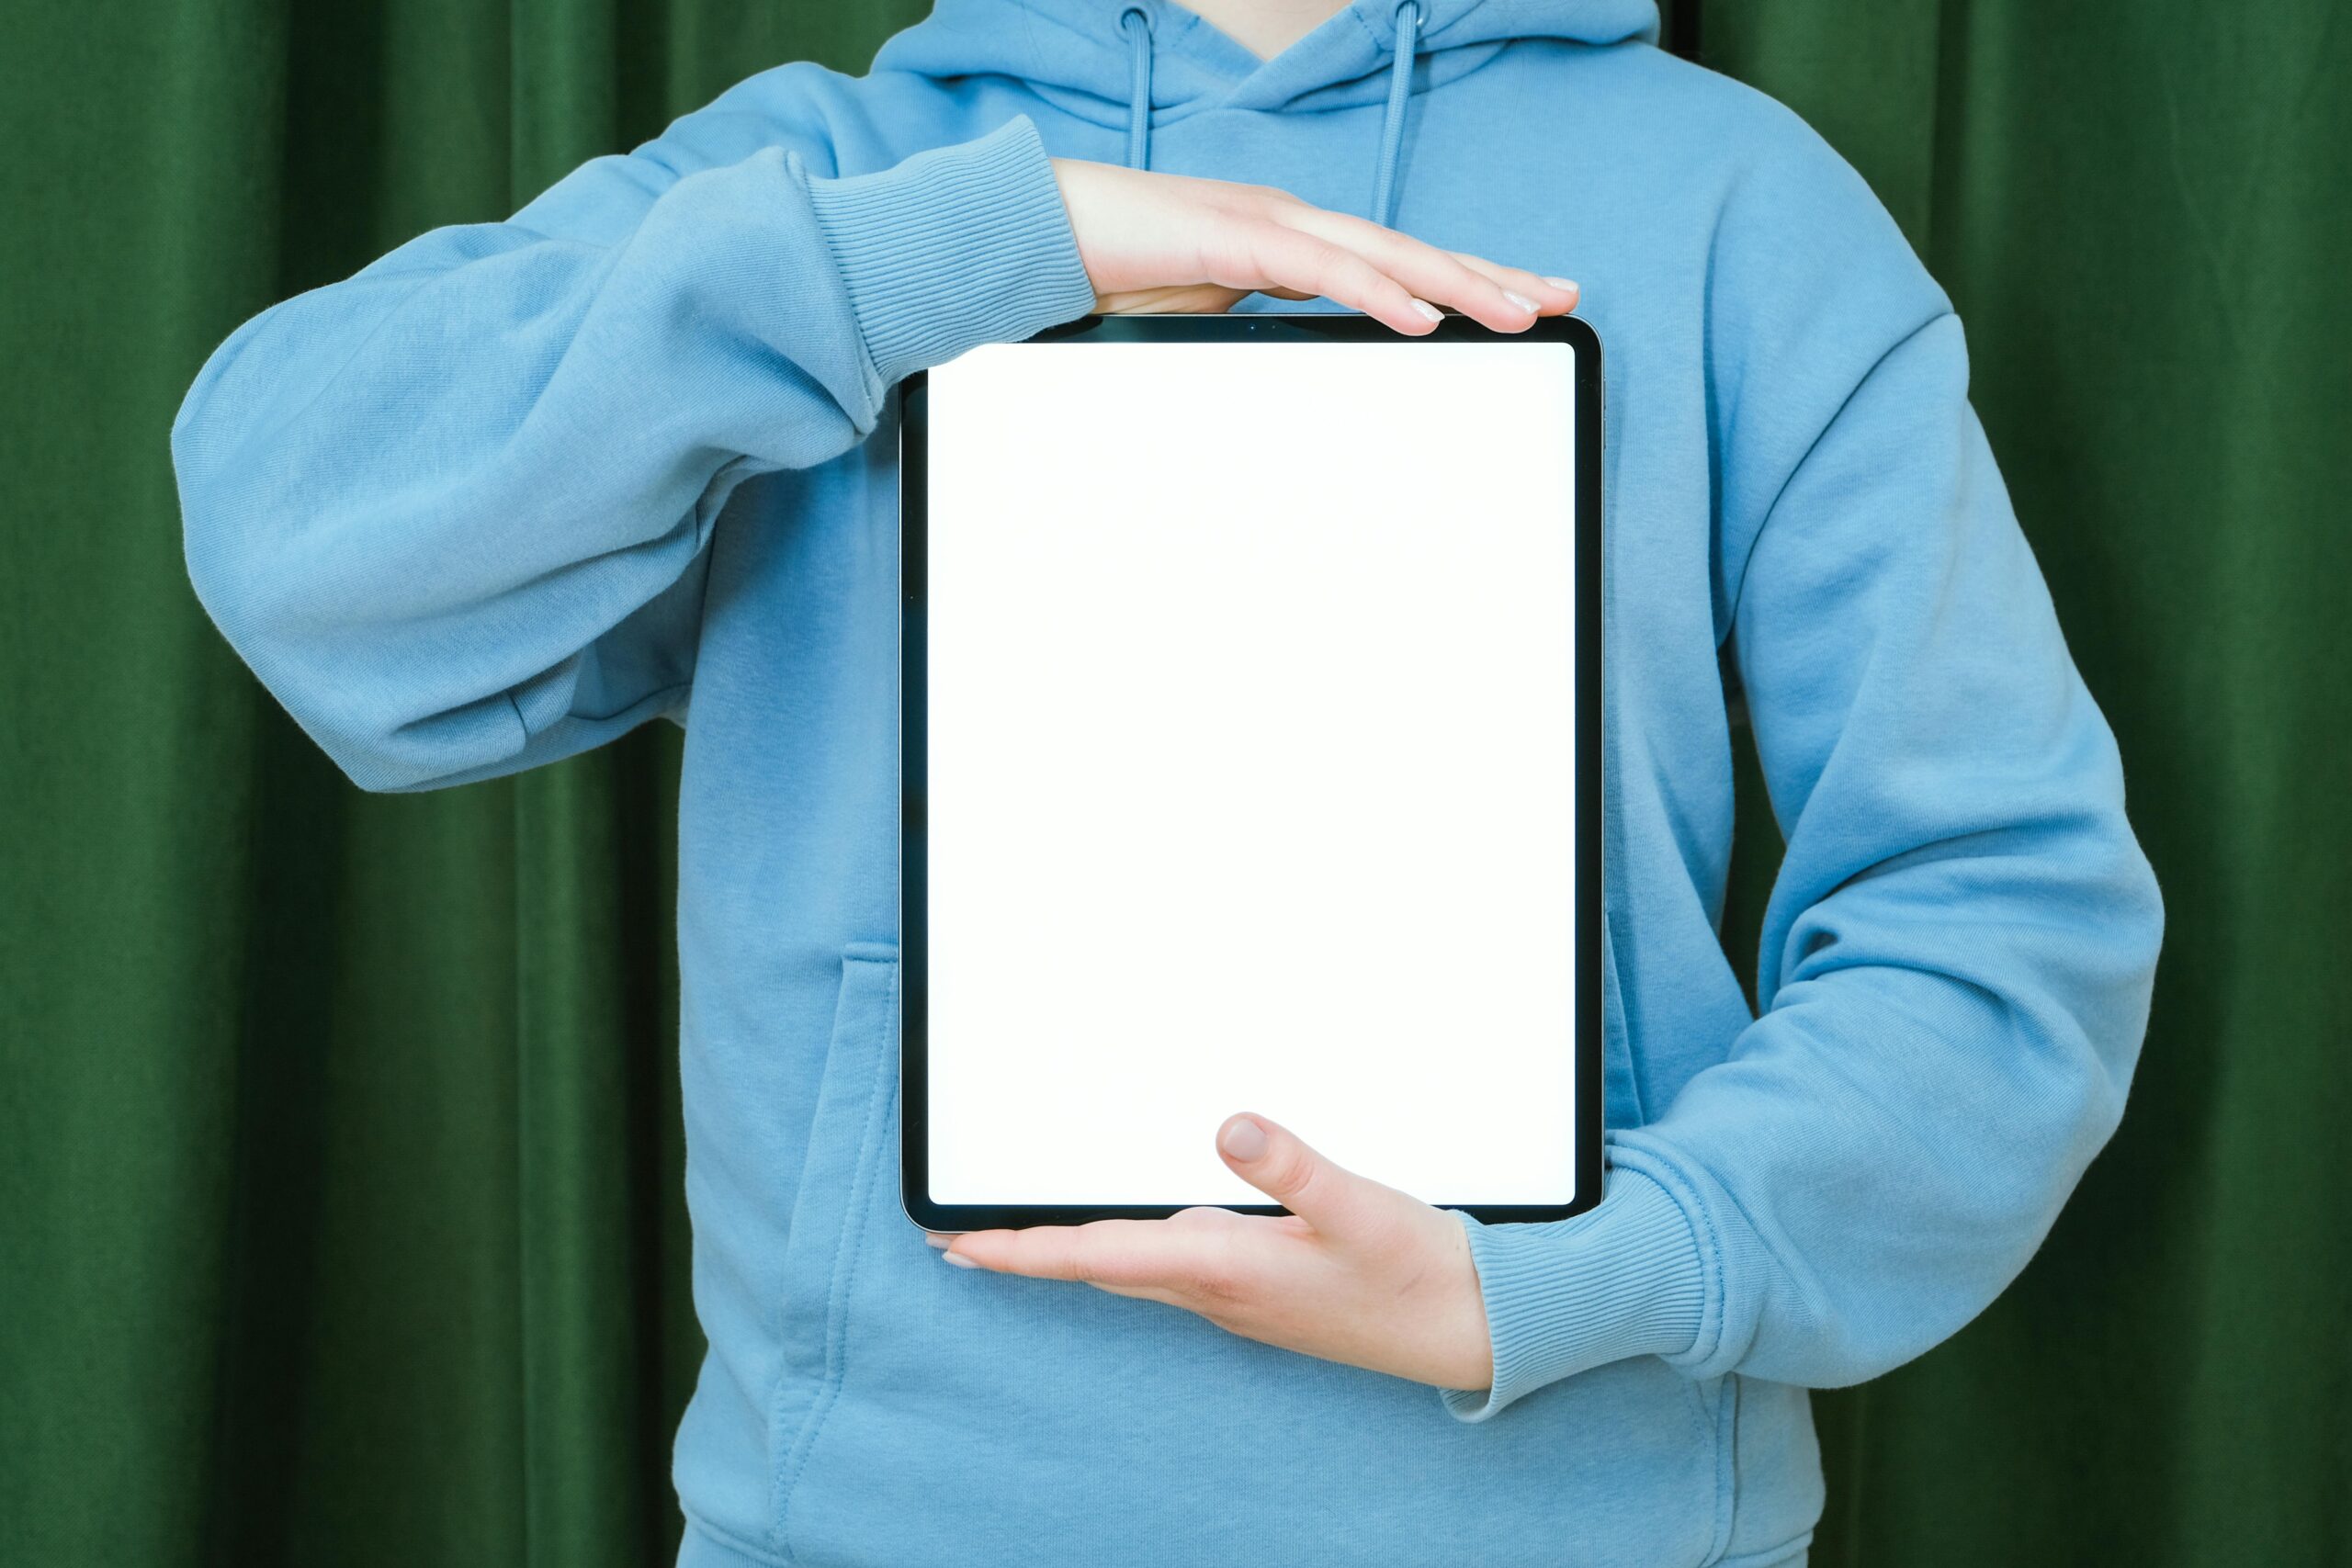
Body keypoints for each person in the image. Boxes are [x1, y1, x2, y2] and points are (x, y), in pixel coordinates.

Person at [170, 1, 2165, 1563]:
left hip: (1591, 1528)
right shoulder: (820, 182)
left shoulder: (1738, 207)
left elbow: (2002, 920)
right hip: (872, 1530)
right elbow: (291, 528)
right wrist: (966, 250)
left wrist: (1569, 1273)